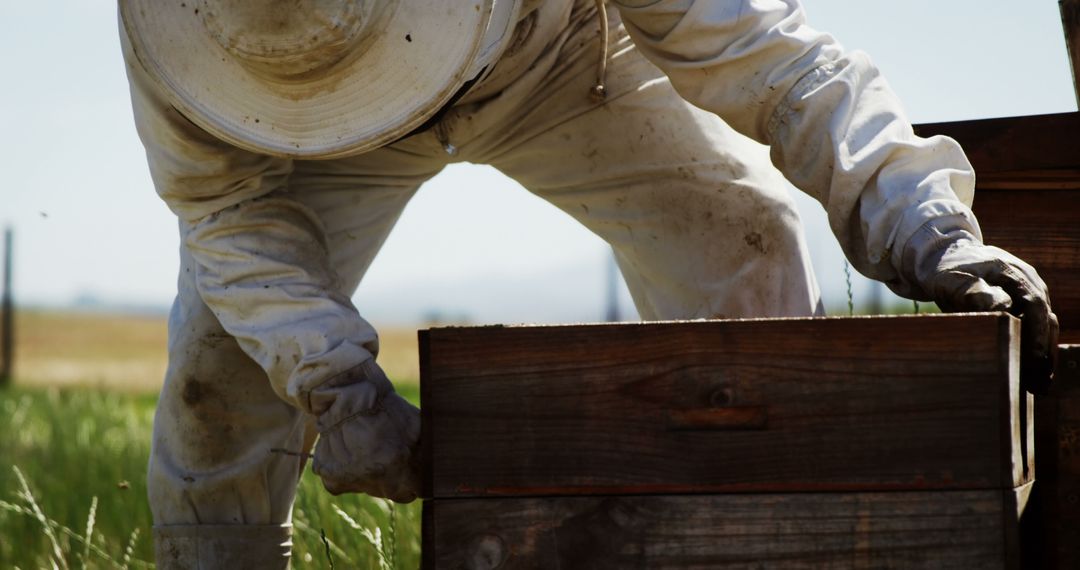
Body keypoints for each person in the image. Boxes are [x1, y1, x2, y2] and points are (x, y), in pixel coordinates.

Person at [119, 0, 1057, 567]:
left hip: (557, 57)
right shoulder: (174, 39)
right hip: (295, 133)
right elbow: (224, 211)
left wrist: (926, 224)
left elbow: (782, 65)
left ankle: (758, 540)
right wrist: (333, 383)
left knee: (744, 238)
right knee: (218, 391)